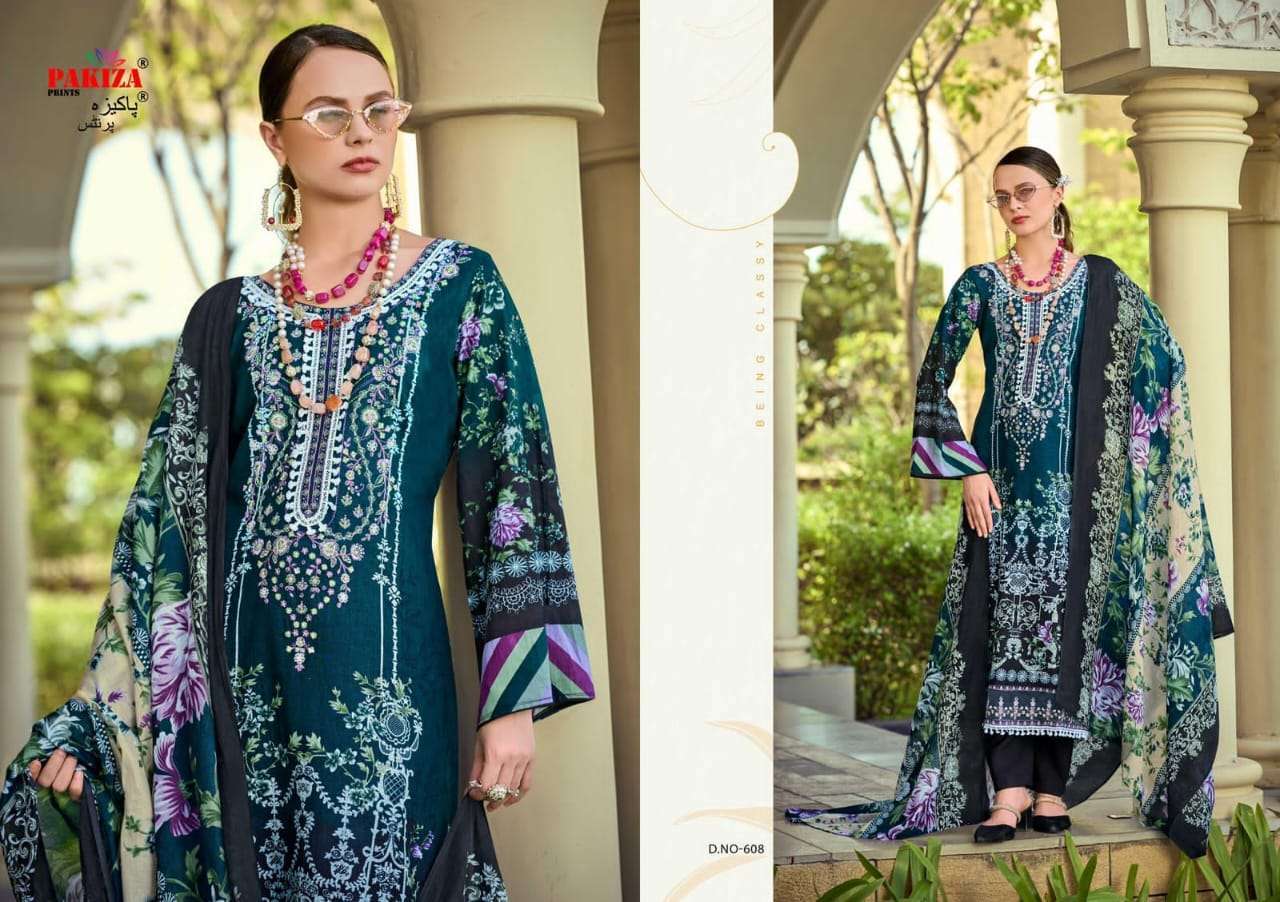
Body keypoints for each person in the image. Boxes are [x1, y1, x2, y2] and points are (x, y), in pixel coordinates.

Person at [0, 23, 595, 901]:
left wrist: (511, 704)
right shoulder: (226, 319)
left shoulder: (459, 287)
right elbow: (160, 529)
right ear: (275, 139)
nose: (362, 132)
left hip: (390, 683)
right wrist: (100, 719)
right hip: (238, 689)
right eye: (329, 113)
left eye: (379, 110)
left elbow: (515, 492)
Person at [785, 145, 1234, 859]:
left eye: (1026, 191)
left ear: (1058, 193)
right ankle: (1009, 792)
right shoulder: (979, 286)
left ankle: (1053, 791)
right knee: (998, 632)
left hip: (1080, 501)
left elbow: (1166, 362)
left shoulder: (1102, 283)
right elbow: (934, 380)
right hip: (997, 496)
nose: (1014, 205)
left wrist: (1131, 446)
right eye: (1001, 196)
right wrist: (965, 469)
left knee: (1072, 634)